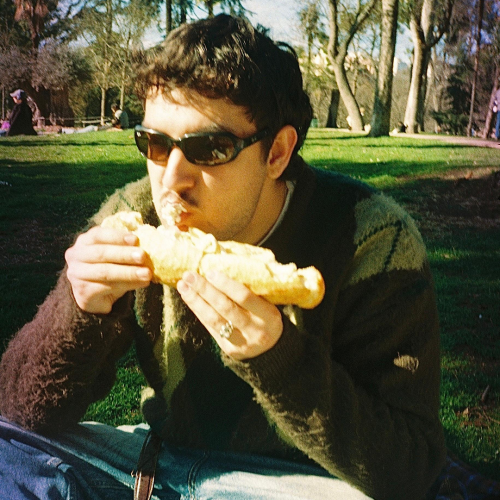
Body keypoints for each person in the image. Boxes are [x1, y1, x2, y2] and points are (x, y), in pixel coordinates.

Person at [0, 15, 447, 500]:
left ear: (277, 153)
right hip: (156, 463)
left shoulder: (373, 241)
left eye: (210, 149)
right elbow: (19, 409)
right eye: (154, 143)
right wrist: (77, 310)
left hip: (298, 484)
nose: (172, 180)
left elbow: (411, 471)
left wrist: (280, 360)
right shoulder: (134, 214)